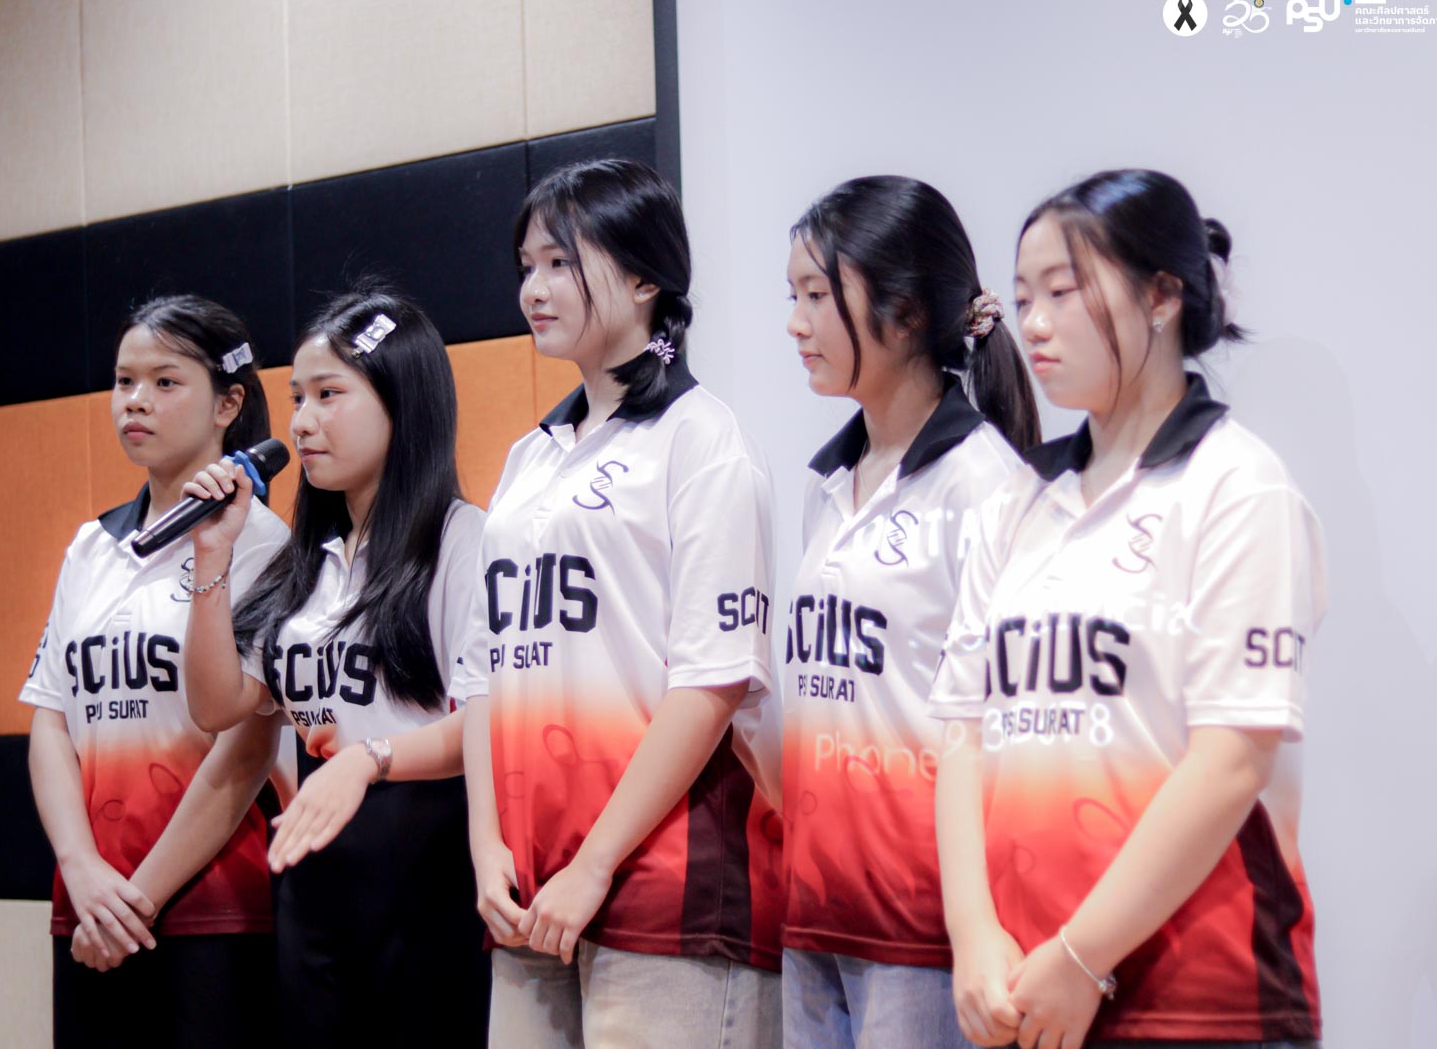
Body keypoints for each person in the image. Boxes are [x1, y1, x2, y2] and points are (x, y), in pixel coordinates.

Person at [932, 169, 1326, 1049]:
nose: (1034, 323)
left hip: (1201, 988)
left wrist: (1083, 957)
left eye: (1063, 291)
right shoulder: (1016, 499)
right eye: (1023, 297)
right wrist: (973, 937)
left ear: (1161, 297)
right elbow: (962, 732)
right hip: (1022, 986)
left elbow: (1232, 760)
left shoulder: (1238, 486)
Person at [459, 159, 782, 1047]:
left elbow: (713, 681)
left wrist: (597, 863)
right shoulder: (529, 457)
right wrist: (486, 847)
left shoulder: (702, 440)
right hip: (526, 887)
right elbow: (485, 670)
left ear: (645, 279)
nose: (534, 289)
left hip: (664, 888)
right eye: (527, 266)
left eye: (562, 263)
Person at [179, 286, 490, 1045]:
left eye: (328, 394)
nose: (301, 422)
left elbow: (488, 722)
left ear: (401, 401)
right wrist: (212, 556)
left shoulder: (463, 540)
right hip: (314, 875)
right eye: (296, 398)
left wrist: (368, 760)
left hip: (426, 871)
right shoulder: (304, 563)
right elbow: (216, 705)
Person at [779, 175, 1038, 1046]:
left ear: (907, 311)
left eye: (818, 296)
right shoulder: (827, 482)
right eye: (792, 296)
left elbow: (1001, 731)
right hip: (817, 906)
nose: (795, 323)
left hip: (924, 925)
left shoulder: (986, 485)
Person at [22, 296, 288, 1048]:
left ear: (227, 405)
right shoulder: (90, 547)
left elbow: (247, 749)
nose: (135, 401)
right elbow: (50, 718)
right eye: (123, 381)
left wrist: (137, 899)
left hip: (211, 907)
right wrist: (81, 869)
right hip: (89, 904)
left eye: (165, 382)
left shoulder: (263, 544)